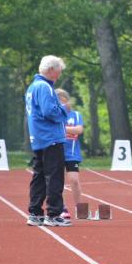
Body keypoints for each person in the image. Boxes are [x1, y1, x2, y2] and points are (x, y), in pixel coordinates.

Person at [25, 56, 70, 227]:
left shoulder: (33, 87)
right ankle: (54, 214)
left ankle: (35, 213)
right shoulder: (44, 87)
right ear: (51, 70)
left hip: (38, 136)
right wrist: (64, 110)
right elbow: (49, 112)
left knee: (39, 176)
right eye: (59, 71)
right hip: (50, 137)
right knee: (54, 177)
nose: (59, 75)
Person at [54, 89, 84, 220]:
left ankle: (80, 208)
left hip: (72, 153)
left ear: (67, 101)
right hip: (56, 152)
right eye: (58, 101)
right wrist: (69, 130)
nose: (61, 104)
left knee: (74, 180)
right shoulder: (54, 116)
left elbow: (79, 130)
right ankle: (62, 208)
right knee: (57, 182)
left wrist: (63, 129)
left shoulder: (76, 115)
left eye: (63, 101)